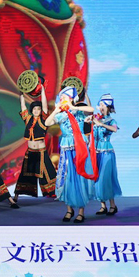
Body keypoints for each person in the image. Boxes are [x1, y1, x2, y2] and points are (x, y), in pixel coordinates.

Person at [44, 86, 96, 223]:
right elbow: (47, 123)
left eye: (64, 97)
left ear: (71, 98)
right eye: (60, 98)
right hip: (67, 149)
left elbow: (91, 109)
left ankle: (81, 212)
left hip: (79, 149)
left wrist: (74, 107)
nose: (61, 99)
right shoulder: (61, 115)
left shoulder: (78, 112)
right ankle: (69, 209)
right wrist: (56, 110)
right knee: (66, 178)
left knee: (80, 178)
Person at [13, 85, 57, 201]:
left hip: (41, 152)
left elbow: (45, 105)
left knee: (48, 172)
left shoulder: (44, 120)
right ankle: (16, 195)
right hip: (30, 152)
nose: (36, 111)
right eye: (34, 109)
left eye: (38, 109)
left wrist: (42, 91)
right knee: (25, 174)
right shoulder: (28, 119)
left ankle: (53, 192)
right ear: (32, 110)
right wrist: (21, 94)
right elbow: (23, 106)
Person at [89, 94, 122, 216]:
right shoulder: (96, 118)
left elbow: (114, 129)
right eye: (100, 105)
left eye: (103, 105)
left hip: (107, 152)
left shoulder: (111, 121)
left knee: (106, 179)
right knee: (97, 179)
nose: (100, 107)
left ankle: (113, 205)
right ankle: (103, 206)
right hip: (96, 153)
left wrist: (101, 124)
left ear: (108, 107)